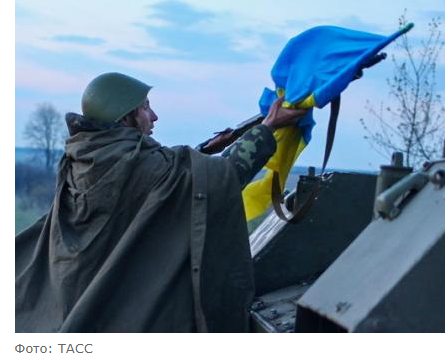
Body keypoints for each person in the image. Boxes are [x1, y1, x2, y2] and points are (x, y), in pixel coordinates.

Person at [15, 72, 307, 332]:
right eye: (145, 107)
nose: (154, 116)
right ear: (125, 118)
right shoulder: (140, 165)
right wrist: (268, 126)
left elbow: (156, 176)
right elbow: (222, 176)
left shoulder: (80, 157)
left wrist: (206, 150)